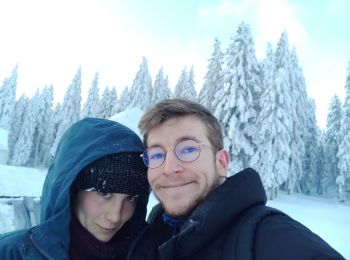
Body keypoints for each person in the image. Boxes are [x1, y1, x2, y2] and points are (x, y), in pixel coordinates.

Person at [128, 98, 344, 260]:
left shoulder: (270, 237)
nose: (169, 168)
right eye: (156, 155)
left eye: (188, 149)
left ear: (221, 162)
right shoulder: (153, 235)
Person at [0, 117, 149, 259]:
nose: (116, 216)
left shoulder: (152, 252)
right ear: (72, 190)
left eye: (130, 198)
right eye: (104, 192)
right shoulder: (9, 253)